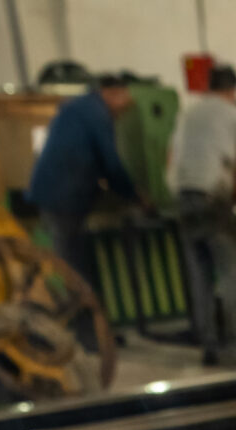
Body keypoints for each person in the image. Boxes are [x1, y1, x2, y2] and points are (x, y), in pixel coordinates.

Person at [166, 62, 236, 365]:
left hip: (184, 197)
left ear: (209, 87)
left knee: (199, 274)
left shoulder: (187, 114)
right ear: (233, 90)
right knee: (229, 274)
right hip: (214, 199)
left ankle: (209, 345)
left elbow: (171, 157)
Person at [27, 71, 137, 296]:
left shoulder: (79, 107)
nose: (124, 112)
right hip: (63, 197)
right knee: (73, 266)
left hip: (54, 195)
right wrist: (134, 195)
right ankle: (83, 314)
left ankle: (82, 310)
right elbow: (111, 164)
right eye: (125, 103)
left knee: (70, 258)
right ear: (113, 93)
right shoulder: (96, 113)